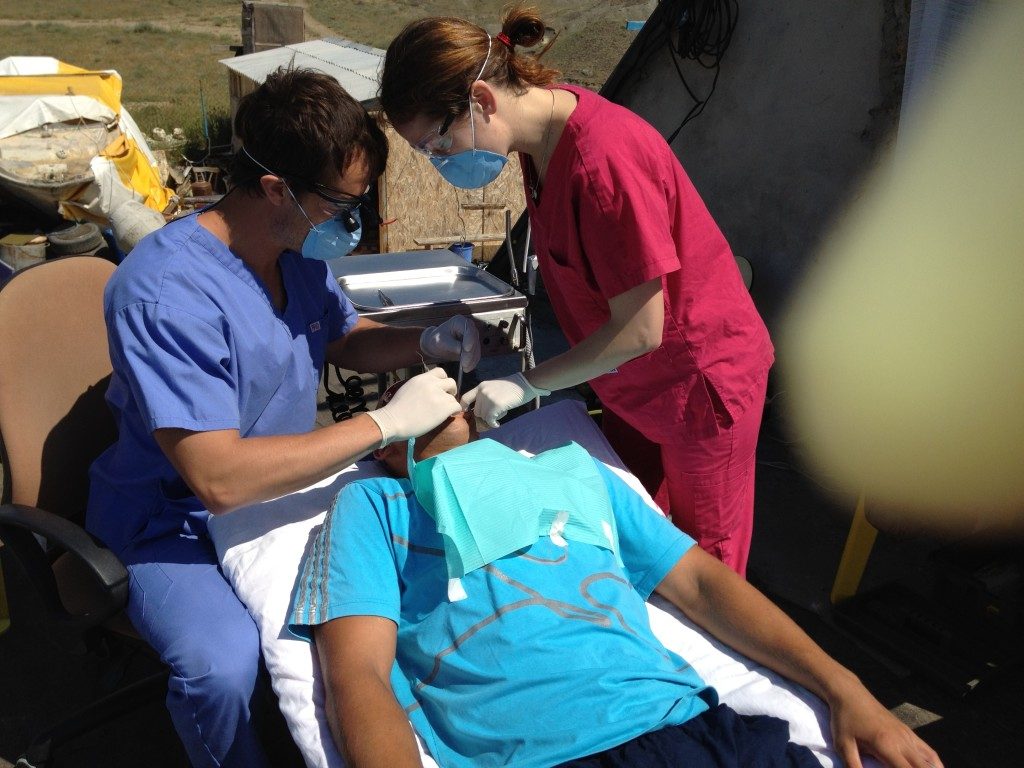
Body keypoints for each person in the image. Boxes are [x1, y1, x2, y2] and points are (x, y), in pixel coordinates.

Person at [86, 68, 480, 768]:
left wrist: (425, 339)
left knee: (410, 591)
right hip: (174, 521)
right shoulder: (165, 294)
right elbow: (218, 480)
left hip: (284, 491)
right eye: (342, 204)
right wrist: (382, 425)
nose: (352, 222)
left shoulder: (292, 255)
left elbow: (343, 337)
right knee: (222, 668)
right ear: (275, 189)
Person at [289, 380, 942, 768]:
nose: (432, 400)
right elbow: (358, 674)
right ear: (384, 443)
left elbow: (703, 585)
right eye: (404, 401)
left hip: (692, 733)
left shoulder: (572, 474)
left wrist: (847, 691)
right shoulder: (375, 506)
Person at [379, 5, 775, 577]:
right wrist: (490, 335)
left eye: (437, 145)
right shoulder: (539, 146)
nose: (439, 163)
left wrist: (527, 383)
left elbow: (642, 330)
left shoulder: (602, 163)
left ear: (482, 100)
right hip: (632, 384)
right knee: (630, 532)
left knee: (704, 570)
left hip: (697, 383)